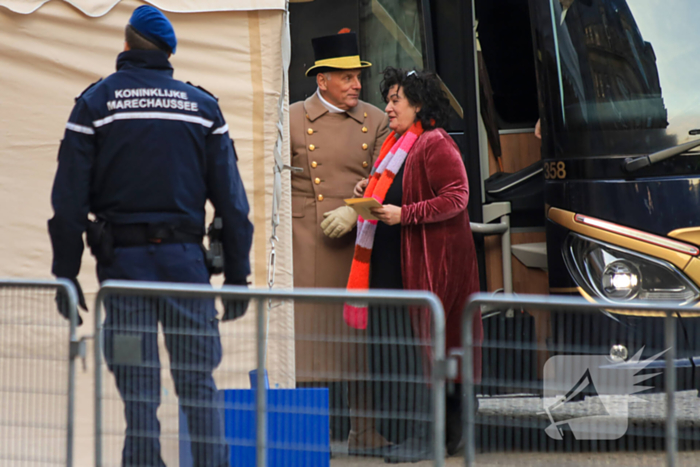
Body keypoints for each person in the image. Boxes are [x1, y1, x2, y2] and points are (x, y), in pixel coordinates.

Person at [48, 6, 253, 466]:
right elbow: (233, 204)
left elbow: (68, 204)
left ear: (125, 47)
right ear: (169, 52)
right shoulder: (202, 108)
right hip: (185, 268)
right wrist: (238, 274)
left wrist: (65, 273)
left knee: (138, 392)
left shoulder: (94, 105)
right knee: (198, 385)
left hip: (125, 271)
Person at [346, 67, 484, 462]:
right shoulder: (399, 142)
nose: (388, 108)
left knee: (429, 352)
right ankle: (420, 434)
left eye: (396, 100)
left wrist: (405, 214)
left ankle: (432, 437)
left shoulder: (435, 142)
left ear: (419, 105)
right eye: (388, 99)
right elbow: (394, 187)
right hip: (399, 266)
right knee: (410, 353)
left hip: (432, 267)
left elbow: (457, 196)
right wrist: (368, 189)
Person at [290, 31, 391, 455]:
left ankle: (363, 432)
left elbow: (387, 177)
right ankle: (305, 435)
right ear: (322, 80)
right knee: (307, 336)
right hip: (304, 237)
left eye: (358, 76)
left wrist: (355, 208)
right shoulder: (291, 117)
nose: (356, 85)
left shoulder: (376, 119)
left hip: (357, 237)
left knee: (356, 337)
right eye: (346, 77)